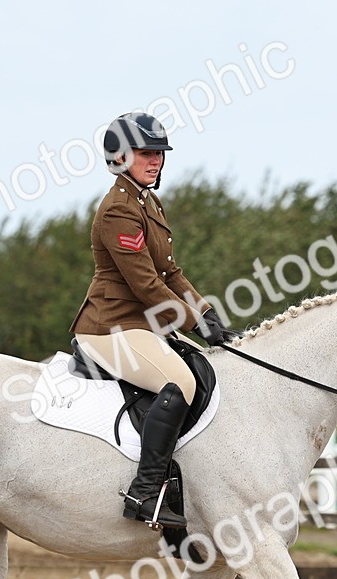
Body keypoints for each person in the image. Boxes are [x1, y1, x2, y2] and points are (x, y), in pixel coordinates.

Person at [70, 111, 241, 530]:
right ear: (120, 157)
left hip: (140, 326)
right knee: (179, 383)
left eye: (160, 153)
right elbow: (147, 286)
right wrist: (192, 323)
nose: (156, 161)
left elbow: (171, 274)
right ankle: (145, 492)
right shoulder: (118, 210)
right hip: (109, 327)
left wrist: (207, 314)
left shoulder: (147, 201)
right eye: (146, 153)